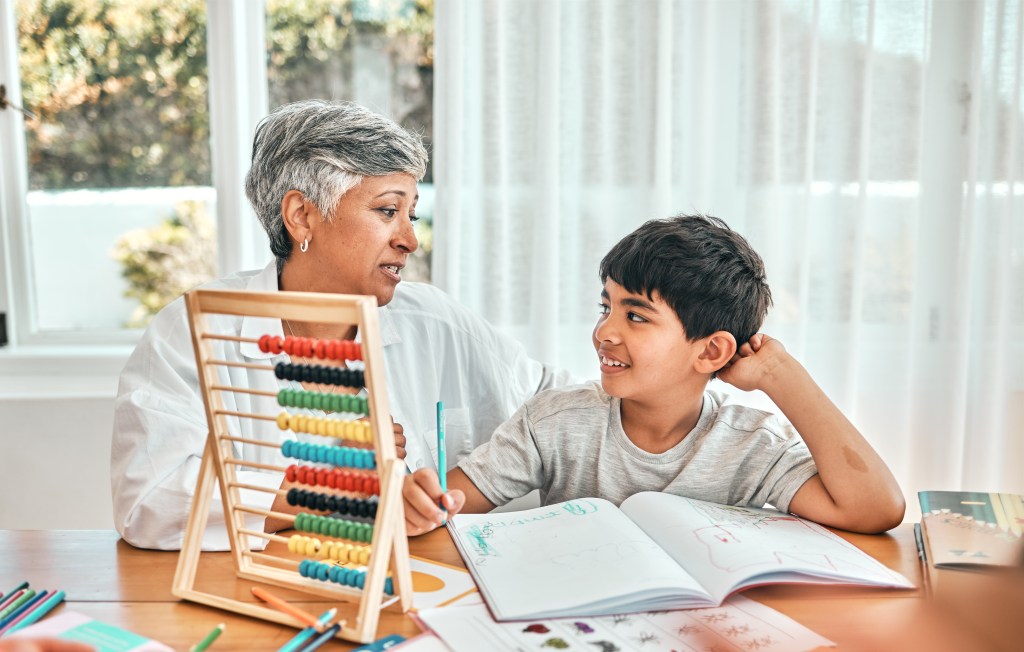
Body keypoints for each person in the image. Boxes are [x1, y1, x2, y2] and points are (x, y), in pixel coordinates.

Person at [110, 100, 573, 550]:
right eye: (388, 211)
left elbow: (562, 407)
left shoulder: (435, 321)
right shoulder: (193, 332)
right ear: (301, 215)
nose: (410, 239)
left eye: (412, 215)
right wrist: (329, 488)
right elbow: (148, 503)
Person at [403, 214, 907, 536]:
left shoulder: (749, 446)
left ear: (711, 351)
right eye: (607, 307)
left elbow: (876, 508)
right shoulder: (552, 423)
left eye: (636, 316)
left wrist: (781, 374)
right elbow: (447, 507)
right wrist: (422, 504)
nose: (605, 332)